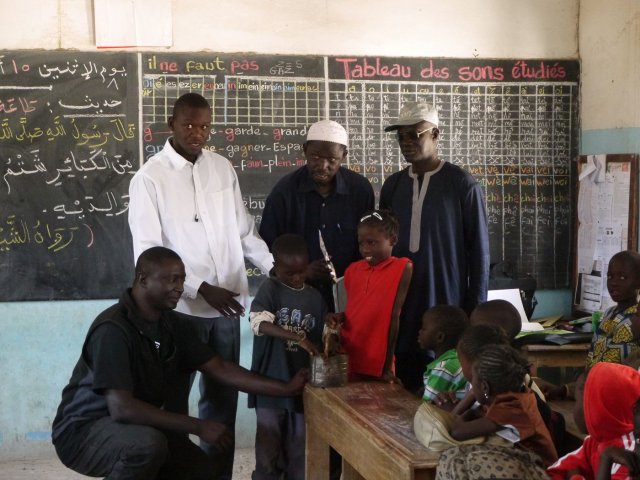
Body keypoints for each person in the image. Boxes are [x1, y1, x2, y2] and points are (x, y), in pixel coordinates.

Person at [51, 247, 306, 480]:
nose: (180, 288)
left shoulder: (171, 324)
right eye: (171, 280)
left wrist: (286, 388)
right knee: (146, 447)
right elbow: (122, 408)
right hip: (83, 432)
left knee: (200, 469)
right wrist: (198, 426)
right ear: (143, 280)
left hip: (136, 428)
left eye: (182, 280)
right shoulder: (113, 329)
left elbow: (220, 368)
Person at [128, 92, 274, 478]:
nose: (197, 133)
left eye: (205, 126)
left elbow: (243, 231)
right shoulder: (150, 178)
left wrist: (274, 268)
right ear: (171, 124)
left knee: (221, 404)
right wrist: (200, 287)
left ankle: (216, 475)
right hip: (180, 311)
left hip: (227, 309)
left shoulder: (222, 168)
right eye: (189, 125)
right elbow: (148, 253)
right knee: (173, 403)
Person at [380, 101, 490, 391]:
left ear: (435, 134)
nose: (406, 142)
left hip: (446, 300)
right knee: (402, 382)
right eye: (401, 136)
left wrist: (474, 310)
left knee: (444, 385)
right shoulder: (393, 186)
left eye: (414, 134)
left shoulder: (462, 184)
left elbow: (479, 252)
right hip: (402, 302)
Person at [259, 119, 375, 310]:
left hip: (350, 293)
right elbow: (268, 246)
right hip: (297, 296)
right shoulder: (284, 192)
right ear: (305, 150)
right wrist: (301, 271)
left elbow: (371, 241)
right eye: (315, 157)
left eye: (332, 160)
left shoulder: (360, 190)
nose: (322, 165)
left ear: (344, 155)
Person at [247, 234, 326, 479]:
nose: (296, 278)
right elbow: (258, 323)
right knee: (268, 446)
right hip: (270, 384)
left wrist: (332, 325)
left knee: (299, 446)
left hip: (302, 385)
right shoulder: (270, 289)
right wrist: (297, 338)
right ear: (275, 266)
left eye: (301, 272)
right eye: (289, 273)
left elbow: (322, 337)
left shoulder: (314, 297)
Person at [326, 209, 413, 382]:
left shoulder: (402, 267)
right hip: (349, 355)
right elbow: (355, 311)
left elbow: (393, 317)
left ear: (392, 240)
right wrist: (338, 317)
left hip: (378, 361)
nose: (365, 249)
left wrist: (387, 368)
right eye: (361, 243)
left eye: (372, 242)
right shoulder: (352, 270)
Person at [543, 250, 640, 401]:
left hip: (617, 399)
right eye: (610, 276)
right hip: (592, 394)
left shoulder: (637, 319)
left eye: (622, 277)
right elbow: (594, 365)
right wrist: (564, 390)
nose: (614, 282)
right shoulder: (608, 314)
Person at [450, 344, 558, 467]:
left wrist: (471, 398)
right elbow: (456, 419)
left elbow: (457, 432)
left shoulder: (512, 407)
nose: (471, 385)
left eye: (472, 379)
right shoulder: (510, 396)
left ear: (485, 387)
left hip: (540, 470)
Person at [547, 362, 640, 479]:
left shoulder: (629, 454)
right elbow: (555, 472)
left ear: (596, 408)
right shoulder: (594, 442)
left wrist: (576, 478)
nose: (574, 409)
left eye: (577, 401)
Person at [417, 304, 469, 401]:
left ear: (440, 337)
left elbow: (426, 406)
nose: (419, 332)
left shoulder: (443, 368)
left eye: (424, 328)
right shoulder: (457, 359)